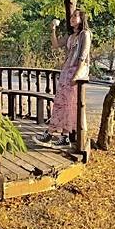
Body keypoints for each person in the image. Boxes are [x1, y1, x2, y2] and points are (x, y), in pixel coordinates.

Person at [36, 9, 91, 147]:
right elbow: (55, 45)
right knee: (61, 103)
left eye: (75, 16)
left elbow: (83, 56)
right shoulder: (71, 36)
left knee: (70, 104)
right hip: (66, 71)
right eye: (71, 16)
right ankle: (58, 135)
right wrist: (53, 29)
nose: (72, 18)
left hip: (75, 72)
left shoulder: (85, 34)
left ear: (82, 18)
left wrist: (77, 75)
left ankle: (56, 134)